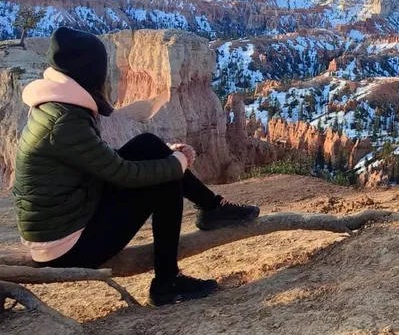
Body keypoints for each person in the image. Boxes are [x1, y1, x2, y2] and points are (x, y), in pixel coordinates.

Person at [12, 27, 260, 307]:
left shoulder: (57, 107)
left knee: (148, 144)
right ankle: (167, 282)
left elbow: (100, 160)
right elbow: (124, 174)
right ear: (90, 72)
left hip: (67, 221)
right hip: (65, 248)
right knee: (164, 181)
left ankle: (212, 207)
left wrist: (167, 154)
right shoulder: (65, 121)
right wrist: (177, 163)